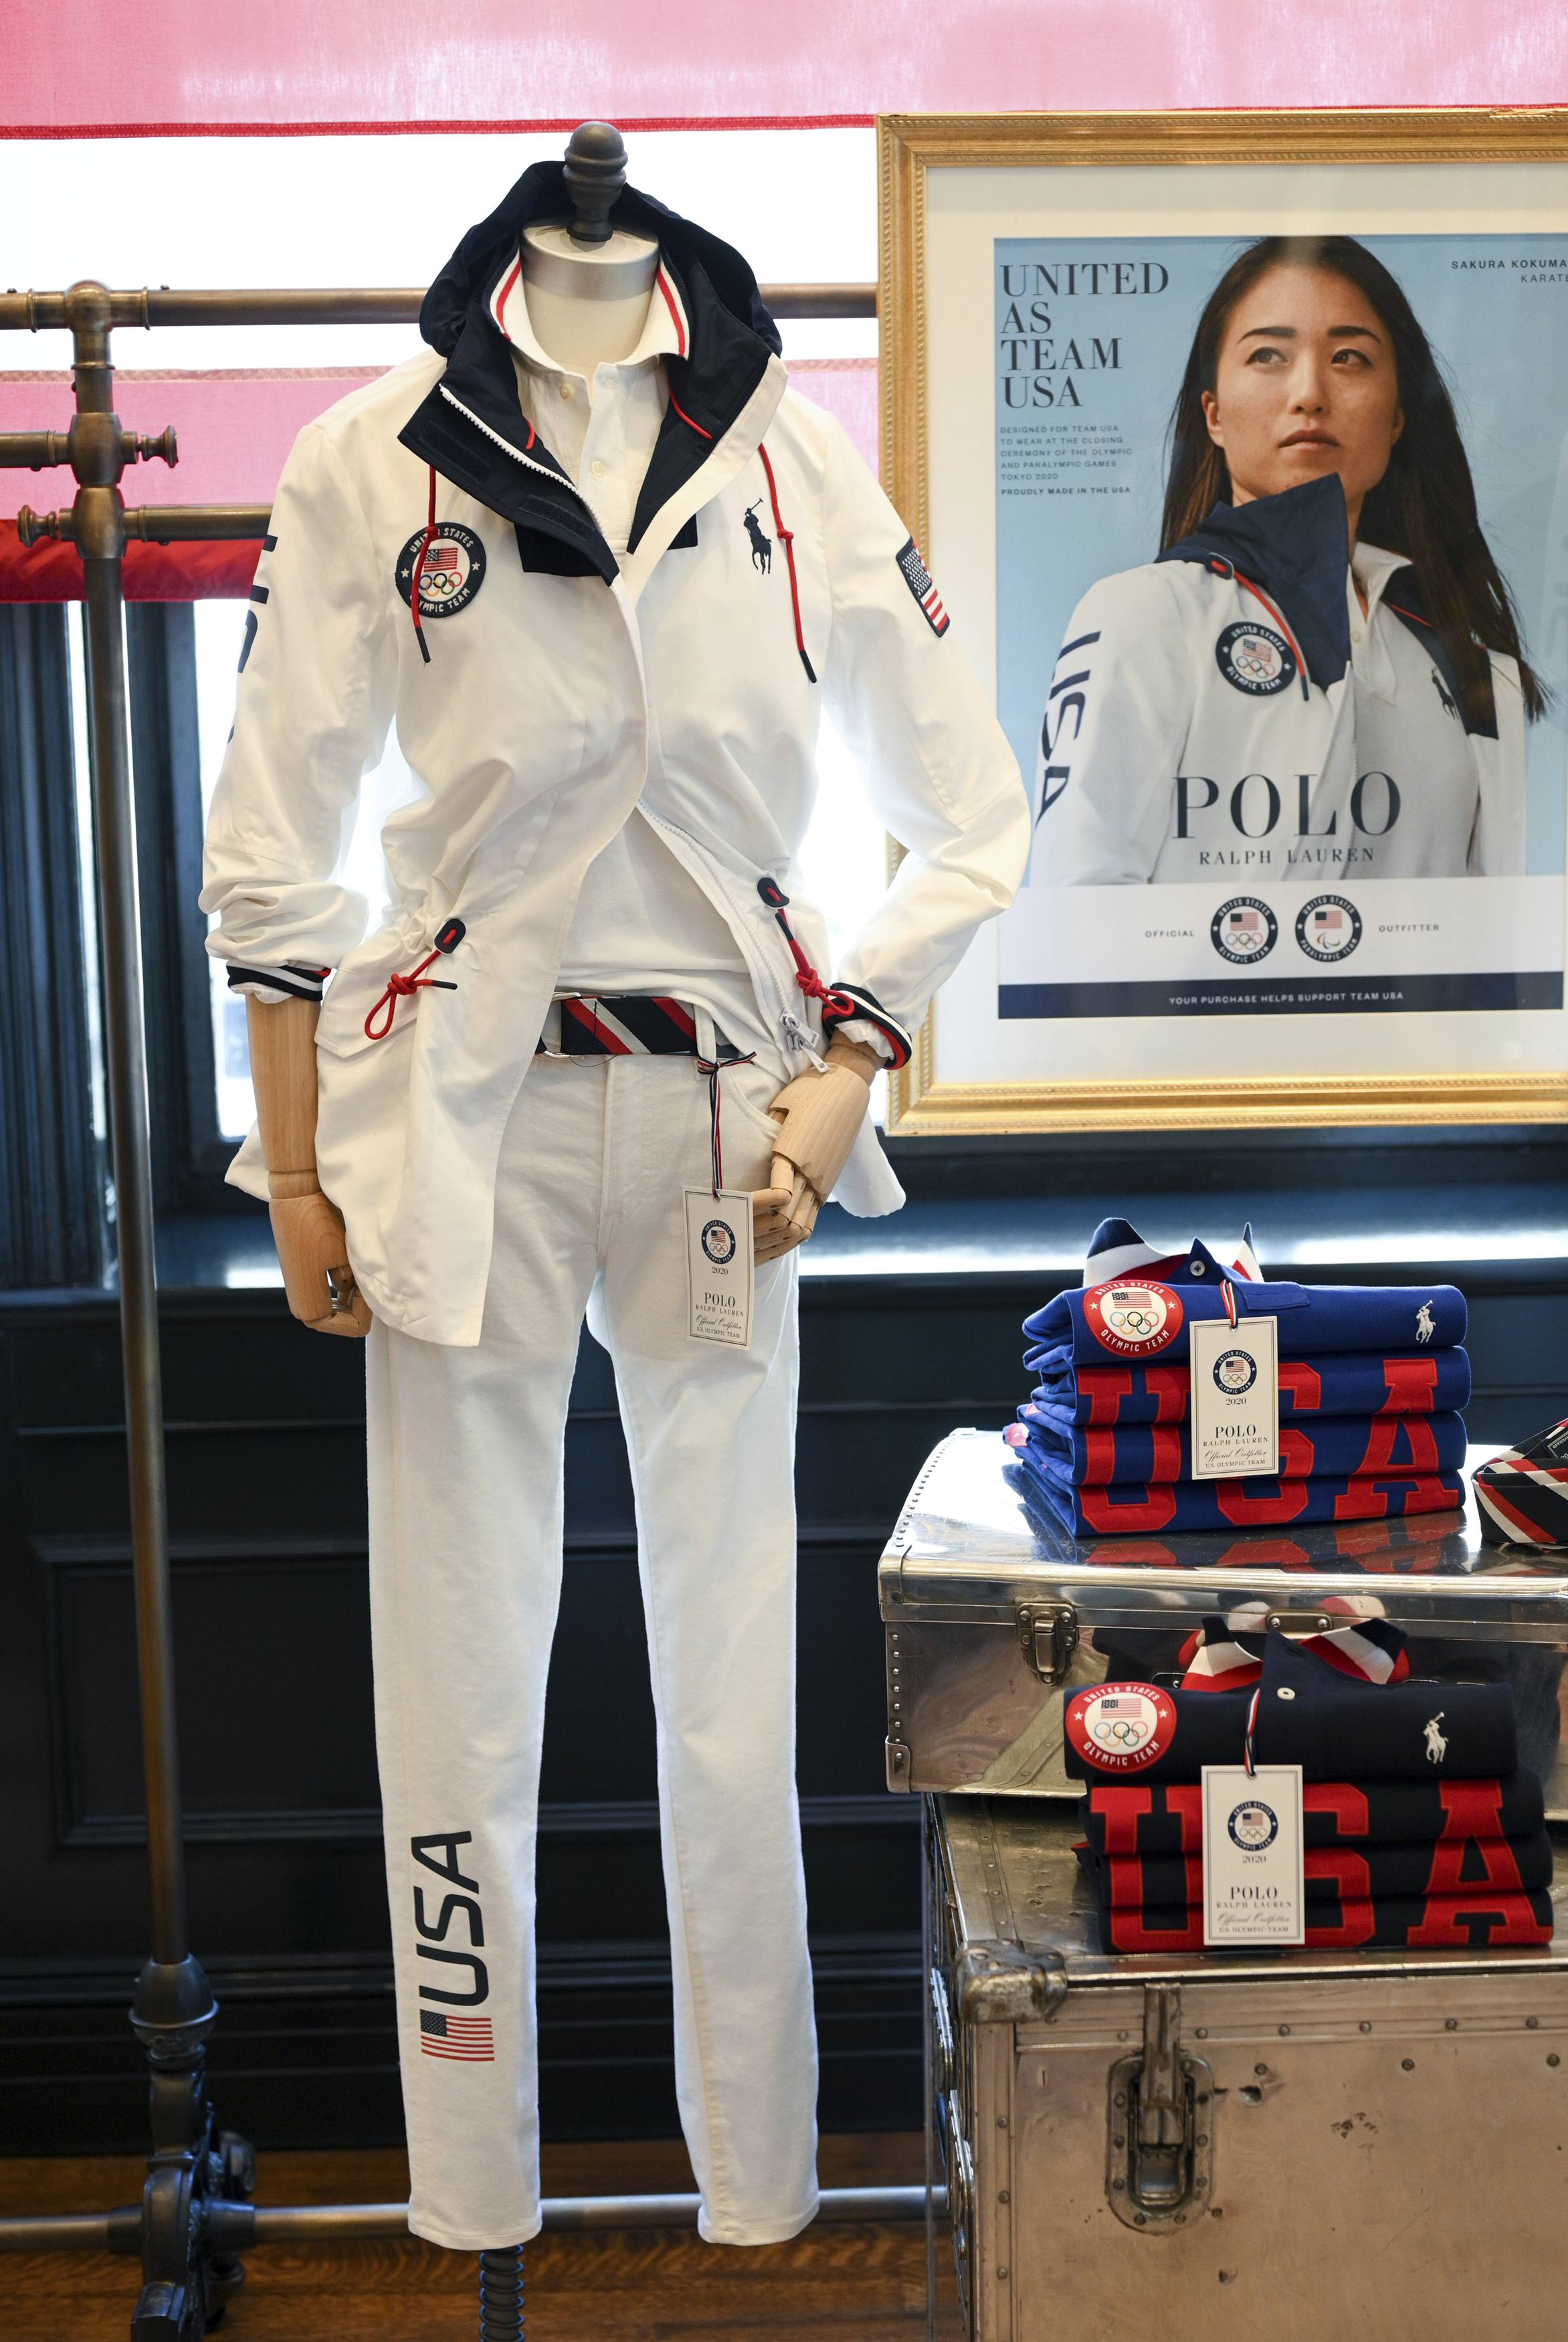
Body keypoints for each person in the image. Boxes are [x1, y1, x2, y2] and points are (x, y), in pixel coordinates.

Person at [201, 151, 1029, 2266]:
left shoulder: (785, 458)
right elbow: (273, 844)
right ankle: (474, 2179)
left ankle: (757, 2182)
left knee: (726, 1681)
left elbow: (966, 816)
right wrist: (293, 1163)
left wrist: (847, 1061)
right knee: (453, 1680)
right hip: (455, 1112)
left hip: (719, 1120)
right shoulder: (370, 459)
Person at [1027, 235, 1544, 888]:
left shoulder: (1472, 671)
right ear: (1211, 414)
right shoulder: (1143, 614)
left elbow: (1491, 948)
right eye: (1267, 354)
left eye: (1349, 357)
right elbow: (1075, 913)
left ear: (1396, 418)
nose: (1309, 392)